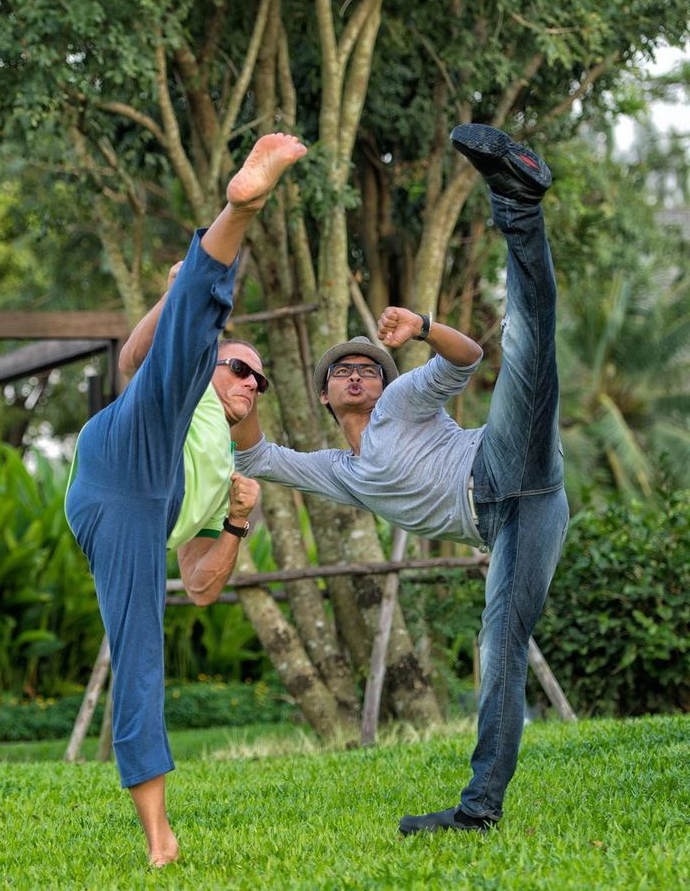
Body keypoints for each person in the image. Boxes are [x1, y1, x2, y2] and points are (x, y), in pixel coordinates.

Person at [233, 123, 569, 834]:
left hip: (502, 460)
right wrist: (236, 389)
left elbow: (468, 357)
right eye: (342, 373)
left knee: (529, 343)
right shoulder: (342, 473)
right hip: (515, 522)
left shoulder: (400, 401)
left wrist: (418, 325)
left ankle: (517, 199)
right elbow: (258, 457)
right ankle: (479, 811)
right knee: (499, 655)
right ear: (324, 398)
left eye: (367, 368)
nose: (357, 374)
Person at [64, 133, 307, 865]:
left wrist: (235, 521)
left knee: (142, 650)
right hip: (123, 453)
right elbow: (139, 359)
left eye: (258, 382)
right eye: (241, 367)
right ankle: (239, 207)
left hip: (142, 513)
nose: (247, 383)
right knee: (183, 346)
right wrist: (175, 298)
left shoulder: (230, 465)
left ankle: (158, 837)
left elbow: (201, 587)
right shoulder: (194, 388)